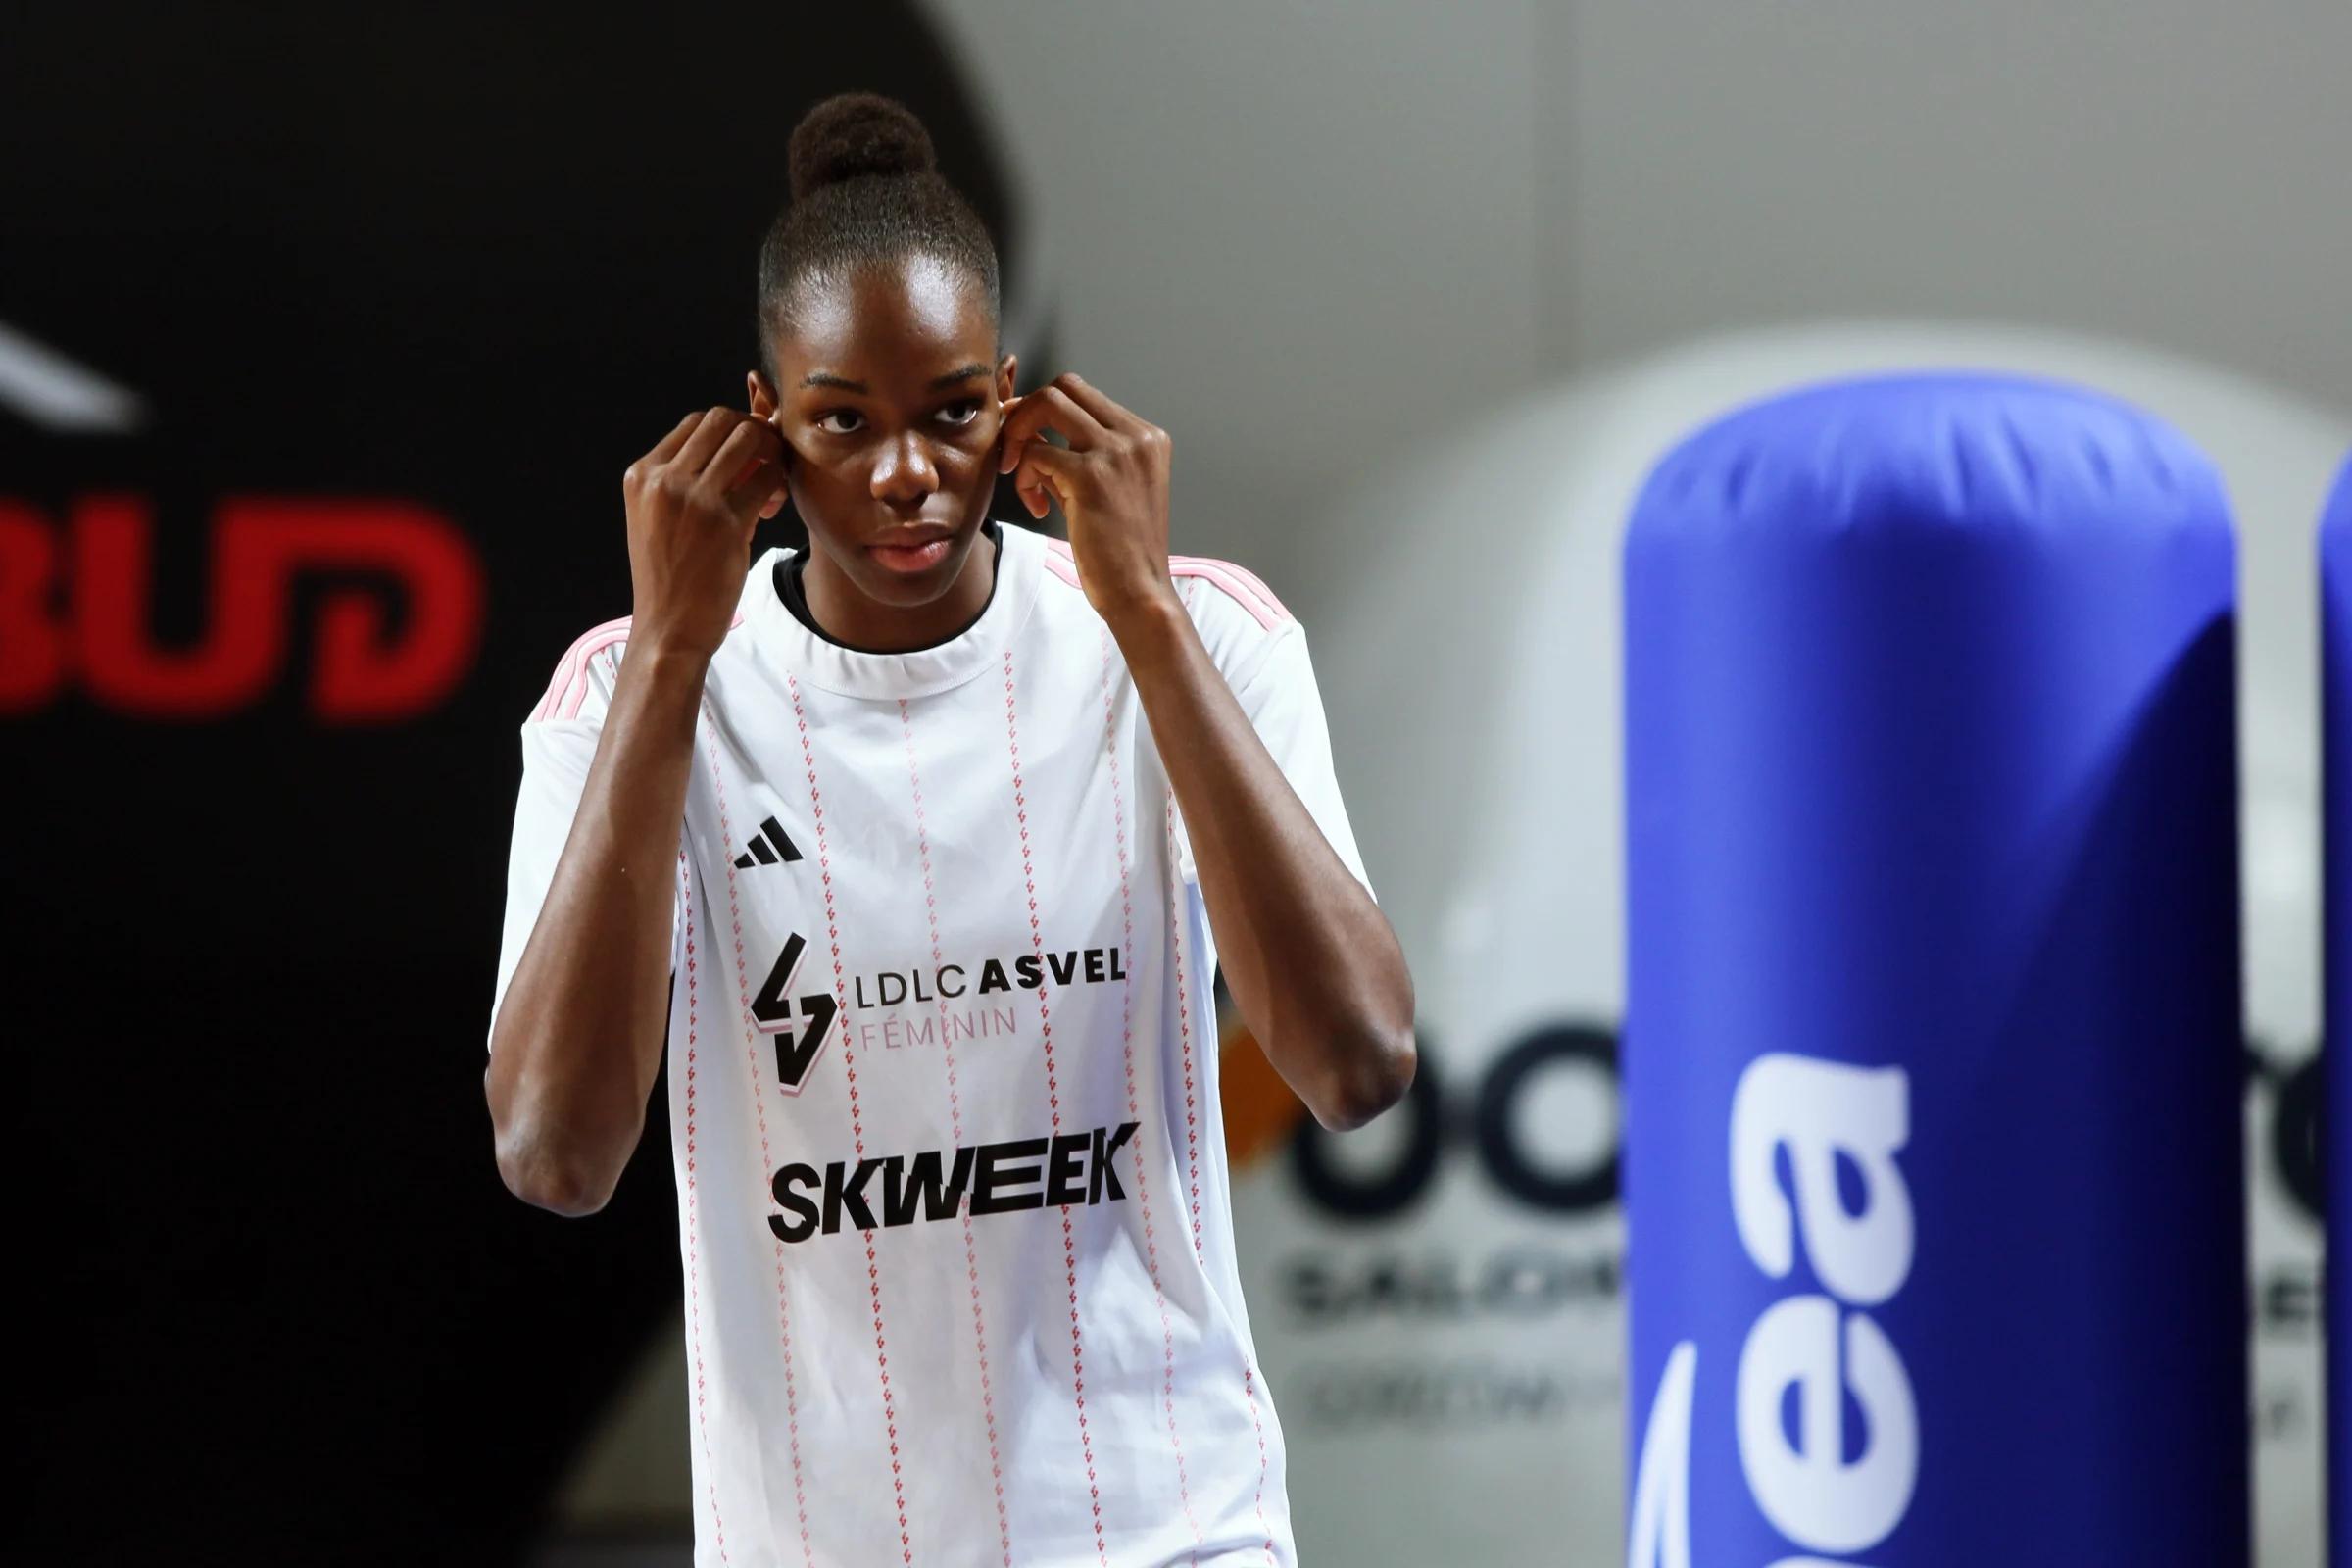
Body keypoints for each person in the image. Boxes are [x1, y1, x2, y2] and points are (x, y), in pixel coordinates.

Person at [483, 91, 1415, 1568]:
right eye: (843, 420)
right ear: (763, 425)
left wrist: (1147, 618)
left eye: (950, 413)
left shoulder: (1203, 634)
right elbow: (553, 1151)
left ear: (1016, 405)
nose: (904, 473)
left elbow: (1357, 1064)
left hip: (1168, 1531)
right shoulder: (625, 690)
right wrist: (672, 654)